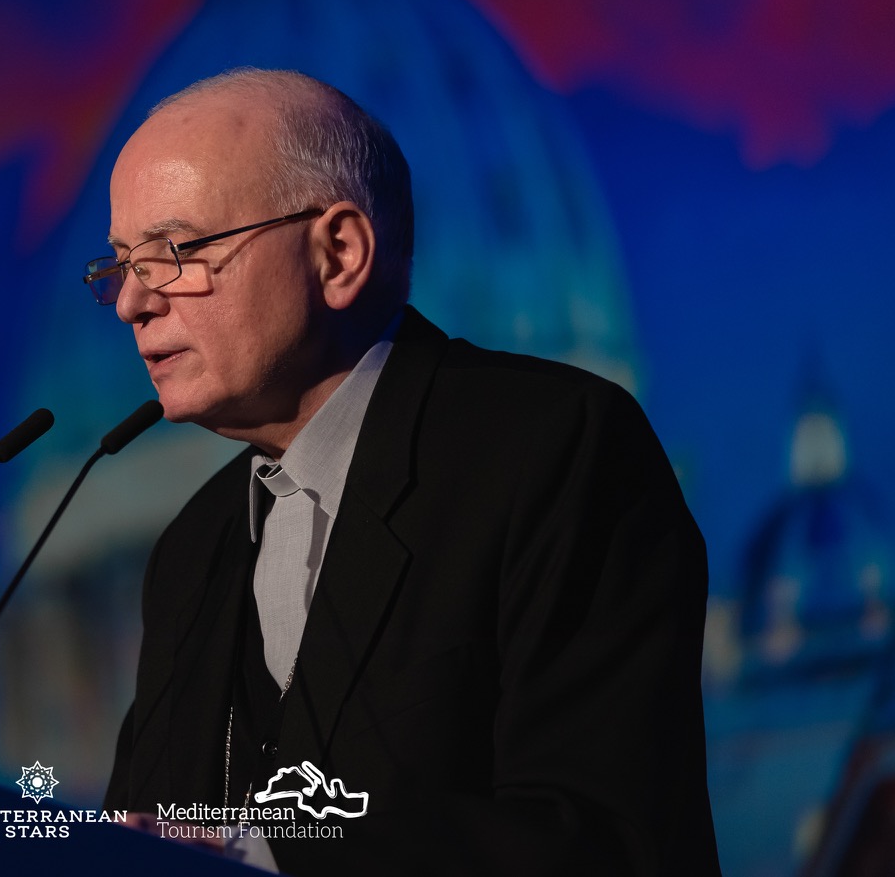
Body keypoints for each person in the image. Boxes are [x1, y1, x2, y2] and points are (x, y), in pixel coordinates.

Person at [86, 68, 721, 875]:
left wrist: (261, 856)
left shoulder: (554, 448)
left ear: (339, 254)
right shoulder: (192, 549)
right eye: (121, 266)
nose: (131, 304)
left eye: (175, 251)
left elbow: (602, 840)